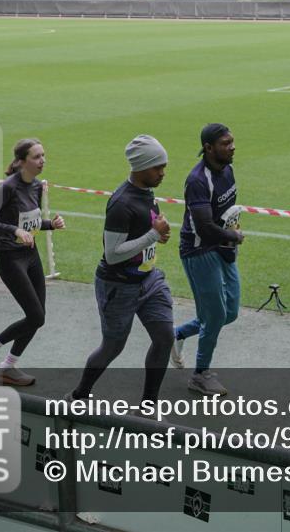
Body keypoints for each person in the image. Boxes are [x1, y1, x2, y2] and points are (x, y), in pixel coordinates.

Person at [67, 135, 173, 406]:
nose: (162, 173)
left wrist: (159, 232)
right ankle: (79, 395)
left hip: (149, 279)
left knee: (164, 338)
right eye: (156, 167)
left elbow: (146, 229)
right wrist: (152, 235)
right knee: (113, 347)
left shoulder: (146, 192)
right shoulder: (121, 203)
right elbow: (113, 255)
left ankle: (149, 406)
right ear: (140, 167)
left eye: (163, 166)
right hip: (118, 285)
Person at [0, 139, 65, 386]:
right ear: (21, 161)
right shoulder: (7, 187)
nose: (43, 160)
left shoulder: (37, 186)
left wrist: (51, 224)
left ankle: (8, 367)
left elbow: (32, 221)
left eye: (43, 155)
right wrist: (14, 230)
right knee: (35, 316)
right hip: (9, 257)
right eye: (37, 156)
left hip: (30, 255)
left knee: (38, 316)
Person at [171, 123, 243, 396]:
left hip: (223, 246)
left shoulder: (229, 170)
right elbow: (204, 228)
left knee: (230, 312)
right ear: (208, 147)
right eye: (226, 143)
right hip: (200, 251)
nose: (232, 146)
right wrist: (234, 236)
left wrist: (230, 233)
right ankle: (200, 375)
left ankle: (176, 335)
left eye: (232, 141)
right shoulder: (198, 180)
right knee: (214, 315)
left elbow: (226, 211)